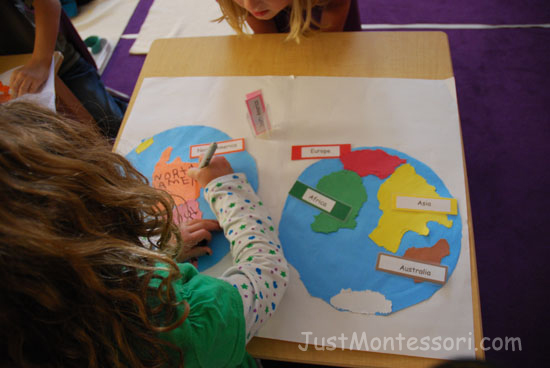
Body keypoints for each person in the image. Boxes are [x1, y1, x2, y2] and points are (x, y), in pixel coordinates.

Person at [0, 101, 288, 368]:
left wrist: (160, 253)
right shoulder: (184, 321)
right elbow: (267, 272)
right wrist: (226, 187)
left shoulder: (35, 336)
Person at [1, 0, 126, 138]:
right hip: (13, 80)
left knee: (114, 127)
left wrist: (40, 61)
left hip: (59, 64)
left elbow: (48, 3)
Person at [216, 0, 361, 41]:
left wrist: (326, 46)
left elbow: (337, 5)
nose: (249, 5)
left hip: (325, 10)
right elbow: (271, 44)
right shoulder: (252, 5)